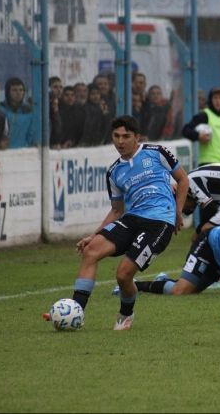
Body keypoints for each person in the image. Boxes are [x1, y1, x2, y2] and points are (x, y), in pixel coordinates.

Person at [66, 115, 189, 331]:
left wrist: (177, 212)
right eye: (116, 136)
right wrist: (94, 236)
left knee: (123, 275)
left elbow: (183, 179)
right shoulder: (114, 172)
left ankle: (126, 313)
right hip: (132, 219)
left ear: (137, 137)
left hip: (159, 222)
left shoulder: (157, 152)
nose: (120, 141)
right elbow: (116, 210)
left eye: (126, 136)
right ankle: (75, 311)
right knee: (91, 251)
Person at [132, 214, 220, 295]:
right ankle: (135, 285)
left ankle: (163, 281)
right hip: (207, 246)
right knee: (180, 291)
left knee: (192, 291)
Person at [182, 87, 220, 166]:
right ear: (210, 100)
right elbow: (185, 130)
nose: (218, 101)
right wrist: (198, 136)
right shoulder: (205, 115)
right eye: (215, 98)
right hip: (208, 162)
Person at [0, 77, 36, 148]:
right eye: (14, 90)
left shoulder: (28, 111)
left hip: (23, 152)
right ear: (8, 92)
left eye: (21, 90)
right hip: (4, 152)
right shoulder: (0, 109)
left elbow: (31, 134)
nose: (18, 93)